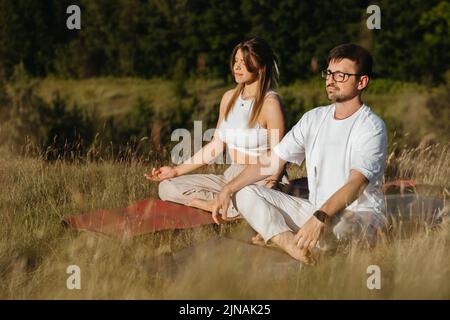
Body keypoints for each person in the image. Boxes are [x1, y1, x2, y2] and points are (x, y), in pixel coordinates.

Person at [212, 43, 388, 264]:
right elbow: (273, 160)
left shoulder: (371, 127)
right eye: (329, 73)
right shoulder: (313, 118)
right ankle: (290, 244)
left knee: (341, 230)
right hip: (315, 211)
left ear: (361, 82)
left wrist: (320, 217)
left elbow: (356, 183)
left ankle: (307, 246)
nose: (331, 80)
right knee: (244, 192)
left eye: (341, 75)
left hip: (357, 217)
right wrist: (229, 188)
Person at [145, 37, 288, 220]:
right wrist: (175, 171)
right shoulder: (229, 98)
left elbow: (278, 158)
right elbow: (216, 146)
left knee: (251, 200)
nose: (236, 67)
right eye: (236, 61)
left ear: (261, 66)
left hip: (260, 178)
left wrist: (271, 185)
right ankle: (223, 206)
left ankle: (226, 206)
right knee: (167, 187)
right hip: (232, 175)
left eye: (243, 62)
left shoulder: (270, 104)